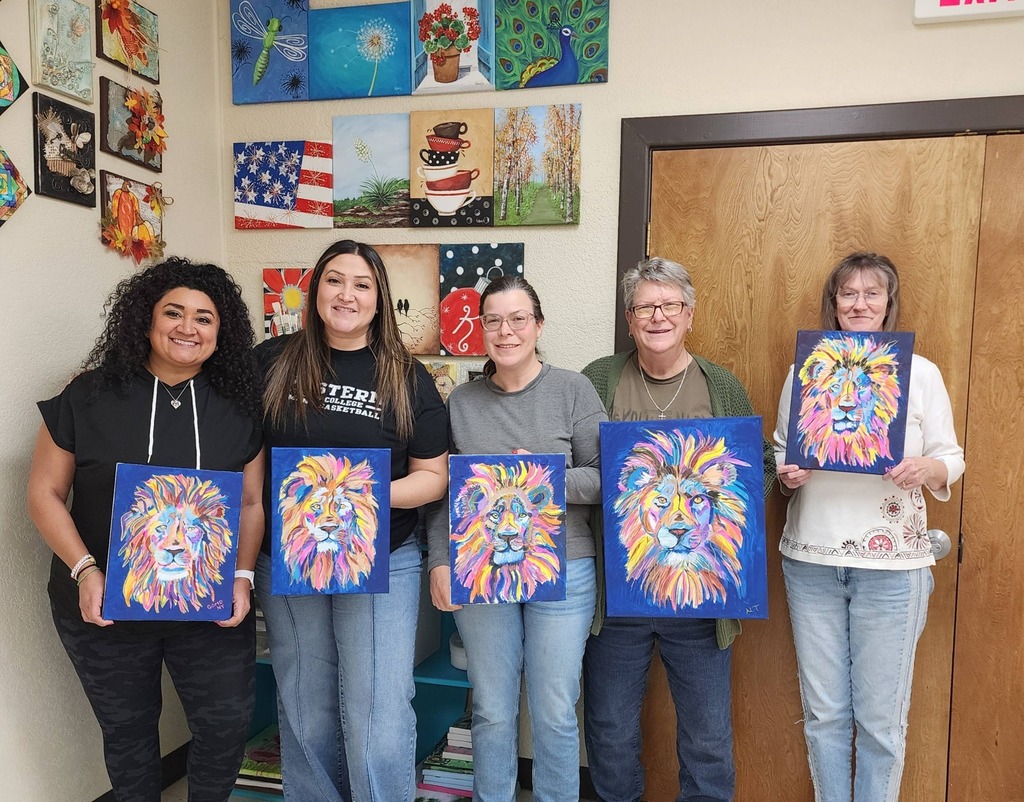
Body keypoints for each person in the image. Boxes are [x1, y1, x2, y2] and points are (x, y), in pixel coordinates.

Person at [27, 258, 265, 802]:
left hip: (207, 606)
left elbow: (251, 502)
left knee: (226, 726)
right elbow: (44, 494)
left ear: (221, 332)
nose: (188, 327)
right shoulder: (88, 395)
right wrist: (85, 570)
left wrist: (243, 575)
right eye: (173, 313)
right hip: (103, 604)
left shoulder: (240, 406)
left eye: (204, 318)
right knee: (129, 734)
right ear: (145, 319)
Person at [255, 239, 449, 802]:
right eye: (335, 280)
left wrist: (355, 497)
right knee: (304, 701)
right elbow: (241, 456)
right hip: (289, 559)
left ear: (379, 297)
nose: (347, 294)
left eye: (362, 284)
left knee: (379, 709)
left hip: (382, 558)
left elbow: (433, 477)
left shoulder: (408, 377)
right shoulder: (269, 361)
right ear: (315, 288)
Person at [581, 256, 776, 802]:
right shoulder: (599, 379)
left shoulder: (720, 385)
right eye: (645, 306)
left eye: (670, 305)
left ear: (690, 314)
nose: (658, 316)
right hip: (617, 596)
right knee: (609, 729)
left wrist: (735, 507)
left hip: (702, 600)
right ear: (629, 319)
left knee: (707, 735)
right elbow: (577, 462)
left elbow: (757, 465)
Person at [773, 252, 964, 802]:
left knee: (881, 723)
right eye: (848, 294)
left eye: (871, 293)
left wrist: (925, 468)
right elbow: (784, 453)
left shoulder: (920, 373)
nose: (859, 304)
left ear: (887, 304)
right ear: (834, 305)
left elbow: (950, 457)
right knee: (824, 716)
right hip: (811, 562)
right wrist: (788, 472)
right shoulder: (803, 372)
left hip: (893, 570)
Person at [426, 275, 607, 802]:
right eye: (493, 321)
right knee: (491, 708)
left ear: (538, 326)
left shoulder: (572, 389)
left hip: (564, 568)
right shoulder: (460, 403)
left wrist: (544, 479)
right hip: (481, 569)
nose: (505, 331)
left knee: (554, 710)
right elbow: (443, 494)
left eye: (518, 319)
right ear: (481, 329)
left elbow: (607, 478)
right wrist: (440, 560)